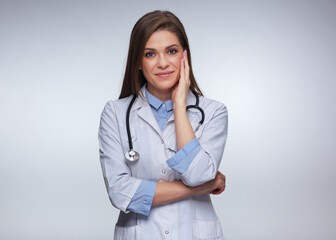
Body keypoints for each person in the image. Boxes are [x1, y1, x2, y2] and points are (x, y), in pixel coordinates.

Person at [98, 10, 228, 240]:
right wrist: (201, 188)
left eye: (171, 51)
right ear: (138, 62)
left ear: (184, 56)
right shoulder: (115, 114)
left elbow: (198, 174)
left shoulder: (213, 112)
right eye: (150, 54)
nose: (163, 63)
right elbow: (120, 193)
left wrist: (179, 106)